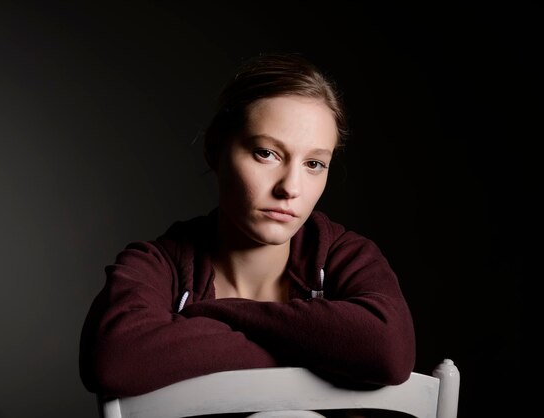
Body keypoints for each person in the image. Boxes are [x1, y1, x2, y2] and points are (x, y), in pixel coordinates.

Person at [79, 52, 416, 401]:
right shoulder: (155, 266)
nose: (291, 188)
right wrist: (320, 351)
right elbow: (113, 361)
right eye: (266, 153)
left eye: (314, 163)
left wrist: (218, 314)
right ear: (215, 150)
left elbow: (389, 351)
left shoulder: (344, 255)